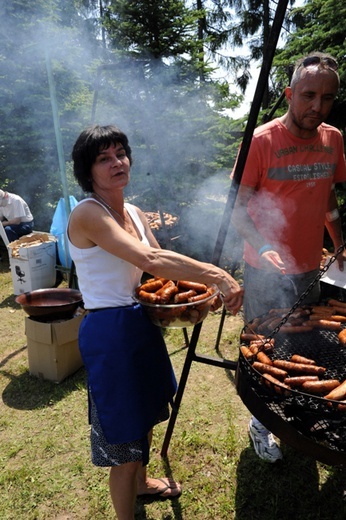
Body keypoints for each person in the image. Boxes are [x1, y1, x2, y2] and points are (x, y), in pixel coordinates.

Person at [67, 124, 243, 519]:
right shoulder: (88, 214)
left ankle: (144, 485)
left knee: (146, 412)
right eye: (103, 158)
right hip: (109, 333)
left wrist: (197, 298)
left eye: (120, 154)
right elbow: (147, 260)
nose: (117, 163)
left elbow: (162, 274)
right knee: (124, 435)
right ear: (88, 171)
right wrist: (215, 274)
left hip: (140, 322)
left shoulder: (132, 210)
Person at [231, 52, 346, 463]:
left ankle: (299, 420)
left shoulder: (333, 139)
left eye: (327, 98)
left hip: (309, 269)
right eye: (309, 95)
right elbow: (237, 208)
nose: (318, 106)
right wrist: (263, 245)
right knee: (266, 352)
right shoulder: (261, 142)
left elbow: (328, 195)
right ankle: (262, 422)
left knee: (305, 350)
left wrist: (339, 240)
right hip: (265, 272)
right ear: (289, 94)